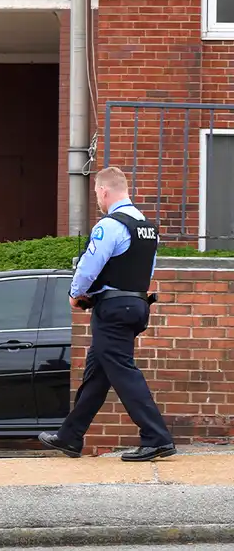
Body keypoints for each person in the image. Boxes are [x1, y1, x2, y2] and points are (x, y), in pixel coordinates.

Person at [38, 166, 175, 462]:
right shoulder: (147, 226)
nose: (98, 201)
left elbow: (90, 265)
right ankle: (70, 436)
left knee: (124, 372)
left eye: (98, 195)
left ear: (103, 191)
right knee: (98, 374)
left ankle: (157, 438)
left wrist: (76, 294)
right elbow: (147, 270)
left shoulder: (110, 225)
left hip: (112, 309)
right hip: (136, 305)